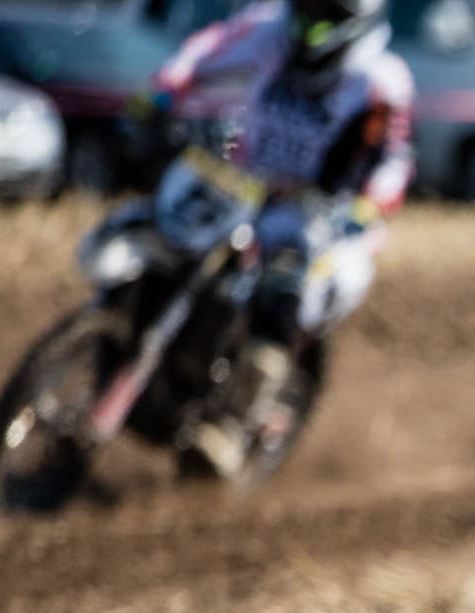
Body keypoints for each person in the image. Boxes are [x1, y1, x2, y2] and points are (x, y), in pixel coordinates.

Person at [149, 0, 413, 475]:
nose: (312, 22)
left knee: (283, 292)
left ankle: (231, 426)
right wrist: (165, 90)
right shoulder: (268, 26)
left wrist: (367, 201)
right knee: (161, 236)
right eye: (308, 6)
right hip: (245, 187)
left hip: (318, 216)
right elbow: (207, 52)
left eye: (327, 14)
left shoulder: (379, 80)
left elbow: (392, 160)